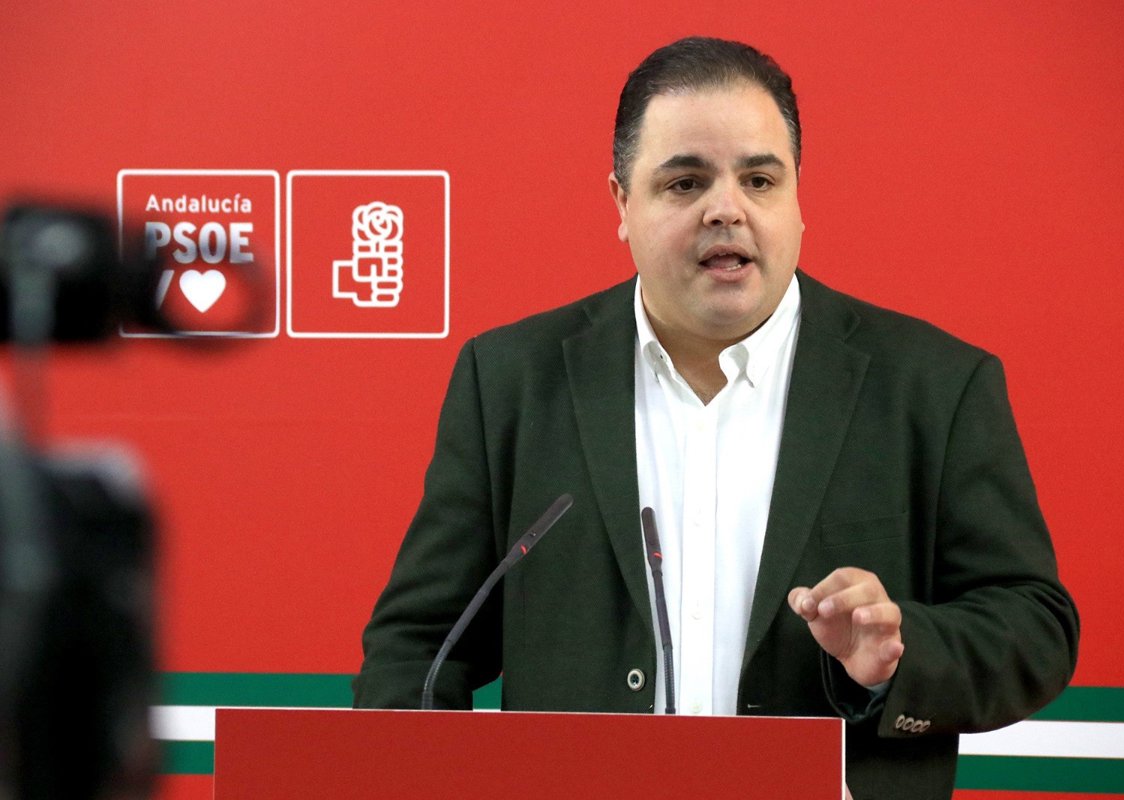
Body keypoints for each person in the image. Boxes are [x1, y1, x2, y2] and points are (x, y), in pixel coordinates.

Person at [354, 37, 1079, 800]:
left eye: (760, 180)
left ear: (797, 199)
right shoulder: (512, 381)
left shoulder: (932, 385)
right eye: (685, 182)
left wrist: (901, 651)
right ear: (621, 204)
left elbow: (1033, 626)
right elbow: (418, 645)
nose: (726, 209)